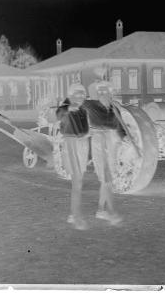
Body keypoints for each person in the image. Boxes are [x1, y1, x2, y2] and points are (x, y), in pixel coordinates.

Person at [84, 81, 125, 226]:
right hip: (99, 142)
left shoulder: (115, 108)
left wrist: (125, 139)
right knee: (106, 179)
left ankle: (101, 210)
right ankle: (112, 212)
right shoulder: (90, 105)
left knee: (107, 180)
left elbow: (120, 127)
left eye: (105, 91)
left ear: (111, 93)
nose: (102, 94)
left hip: (111, 143)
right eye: (99, 92)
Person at [55, 83, 91, 231]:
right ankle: (76, 217)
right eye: (77, 93)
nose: (81, 96)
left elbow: (87, 127)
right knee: (77, 181)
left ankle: (72, 213)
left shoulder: (84, 110)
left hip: (82, 145)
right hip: (71, 145)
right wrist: (69, 107)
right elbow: (57, 114)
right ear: (70, 95)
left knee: (79, 181)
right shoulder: (65, 107)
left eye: (83, 93)